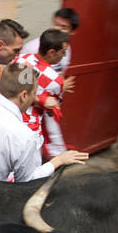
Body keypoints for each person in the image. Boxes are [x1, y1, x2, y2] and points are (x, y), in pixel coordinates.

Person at [15, 28, 72, 159]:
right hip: (29, 127)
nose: (64, 56)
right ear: (51, 52)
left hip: (8, 116)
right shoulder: (55, 80)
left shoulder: (21, 59)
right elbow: (53, 109)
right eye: (63, 52)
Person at [20, 8, 79, 74]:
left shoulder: (66, 48)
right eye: (56, 24)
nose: (57, 29)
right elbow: (21, 78)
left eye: (63, 27)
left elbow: (61, 71)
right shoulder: (32, 48)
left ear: (72, 31)